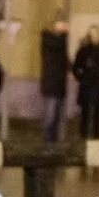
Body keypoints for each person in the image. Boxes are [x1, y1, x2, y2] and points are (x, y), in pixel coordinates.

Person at [72, 24, 99, 140]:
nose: (94, 37)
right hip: (86, 84)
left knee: (98, 113)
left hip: (98, 85)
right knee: (85, 112)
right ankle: (83, 135)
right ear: (89, 36)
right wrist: (80, 77)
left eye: (97, 34)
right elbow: (76, 67)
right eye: (92, 34)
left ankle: (97, 135)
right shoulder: (83, 51)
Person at [38, 15, 71, 144]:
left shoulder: (61, 43)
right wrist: (63, 34)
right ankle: (47, 140)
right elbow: (56, 48)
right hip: (51, 84)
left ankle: (53, 140)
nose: (65, 27)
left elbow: (64, 61)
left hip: (59, 84)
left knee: (56, 116)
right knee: (50, 115)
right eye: (62, 24)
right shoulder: (48, 39)